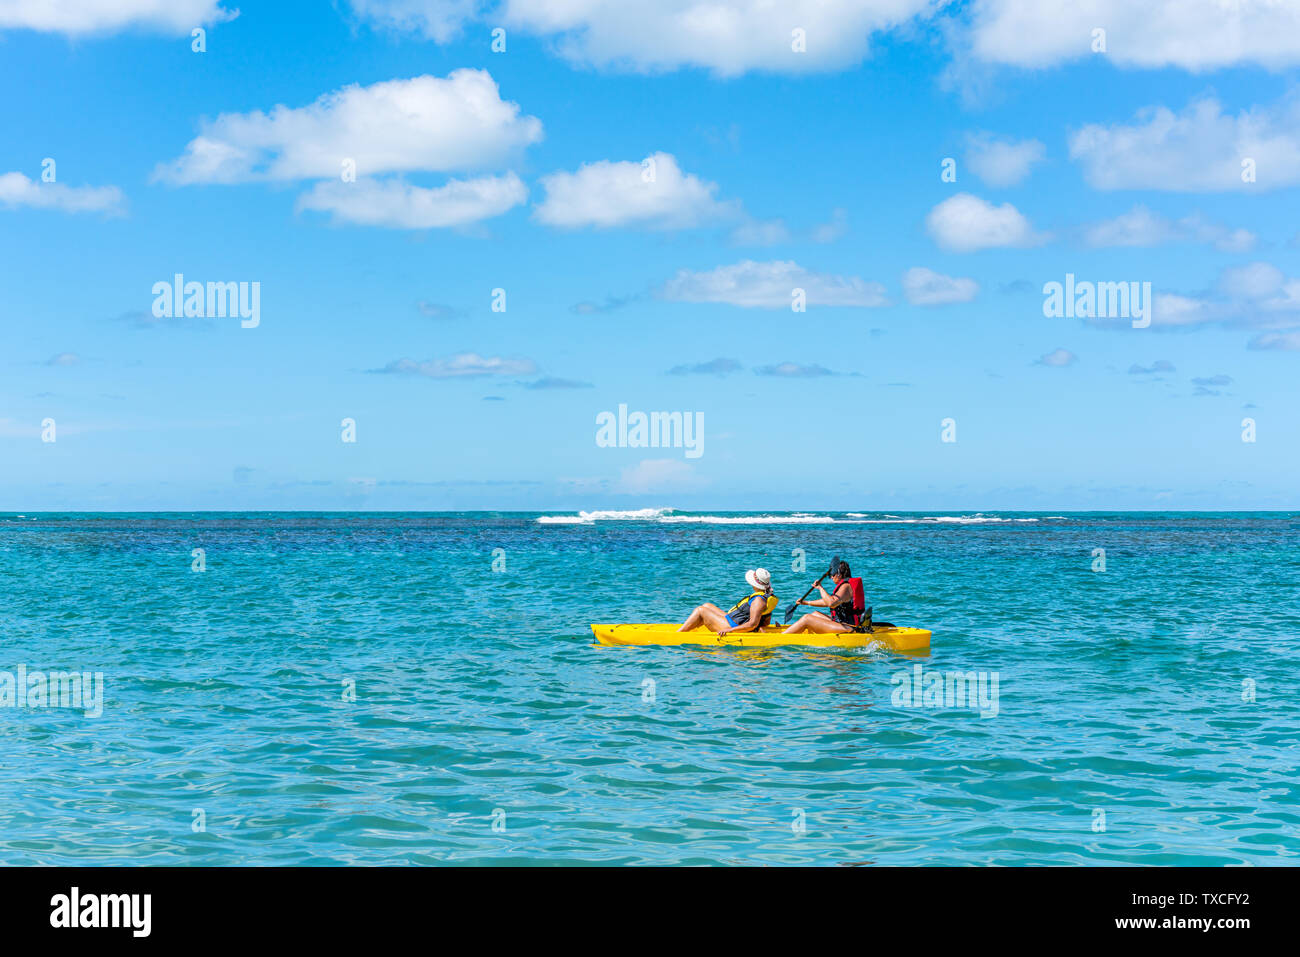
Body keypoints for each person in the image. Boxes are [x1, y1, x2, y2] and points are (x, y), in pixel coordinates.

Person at [678, 568, 778, 636]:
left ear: (755, 584)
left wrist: (729, 630)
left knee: (701, 610)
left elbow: (752, 624)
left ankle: (679, 634)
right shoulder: (765, 596)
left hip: (732, 627)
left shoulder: (758, 601)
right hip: (734, 621)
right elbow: (766, 620)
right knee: (707, 605)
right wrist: (764, 628)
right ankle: (694, 626)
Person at [782, 560, 870, 634]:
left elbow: (831, 603)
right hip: (843, 623)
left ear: (839, 574)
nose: (831, 577)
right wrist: (806, 603)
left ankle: (782, 637)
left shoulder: (846, 587)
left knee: (807, 618)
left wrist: (820, 588)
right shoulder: (845, 586)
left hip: (850, 628)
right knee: (814, 614)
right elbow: (826, 601)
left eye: (832, 574)